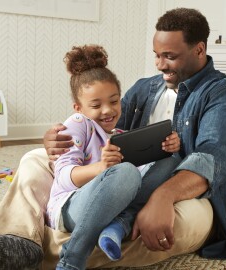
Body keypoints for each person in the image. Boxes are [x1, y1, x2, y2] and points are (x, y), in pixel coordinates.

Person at [0, 7, 226, 270]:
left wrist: (162, 197)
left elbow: (211, 161)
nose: (159, 64)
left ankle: (43, 252)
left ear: (199, 49)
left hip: (190, 197)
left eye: (169, 56)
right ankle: (17, 240)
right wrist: (56, 140)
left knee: (162, 228)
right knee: (34, 159)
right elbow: (100, 128)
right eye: (156, 55)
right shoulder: (146, 87)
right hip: (122, 179)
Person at [46, 44, 180, 269]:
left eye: (114, 101)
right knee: (126, 171)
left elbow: (138, 181)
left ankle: (119, 224)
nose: (107, 110)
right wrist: (101, 167)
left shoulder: (119, 136)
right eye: (96, 105)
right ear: (78, 108)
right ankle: (72, 258)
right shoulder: (78, 124)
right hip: (70, 208)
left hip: (111, 205)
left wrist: (168, 146)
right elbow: (63, 177)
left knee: (170, 161)